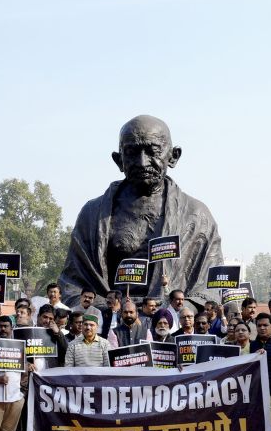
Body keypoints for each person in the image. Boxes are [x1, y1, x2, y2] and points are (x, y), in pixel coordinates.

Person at [60, 115, 224, 298]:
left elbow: (211, 286)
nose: (142, 162)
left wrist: (182, 307)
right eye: (132, 152)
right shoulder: (92, 215)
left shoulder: (197, 215)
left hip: (171, 313)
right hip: (111, 311)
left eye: (153, 151)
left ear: (173, 156)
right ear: (119, 160)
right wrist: (106, 308)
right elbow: (72, 284)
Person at [217, 321, 254, 431]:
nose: (240, 332)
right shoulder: (228, 350)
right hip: (229, 398)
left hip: (249, 399)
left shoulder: (255, 349)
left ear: (249, 333)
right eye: (237, 330)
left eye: (243, 330)